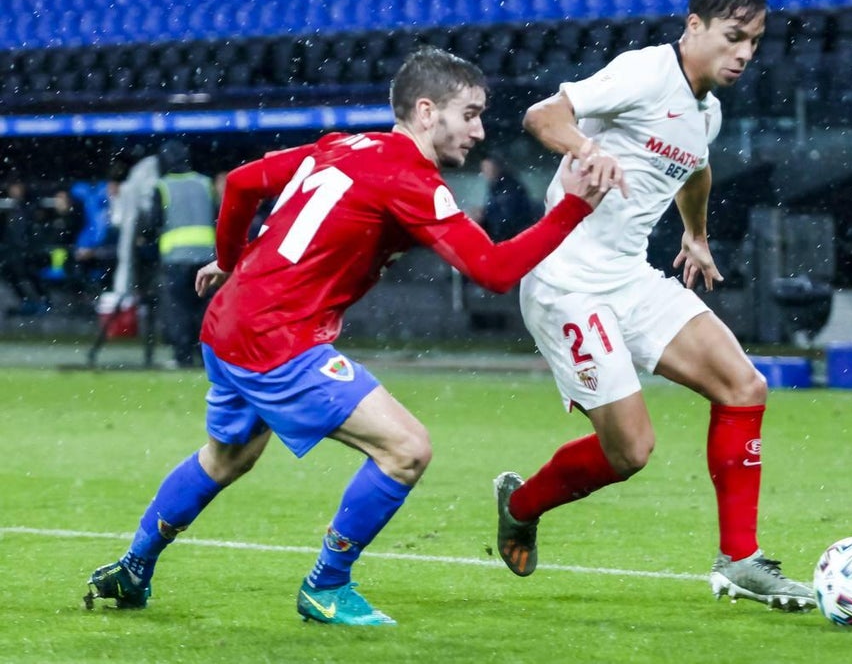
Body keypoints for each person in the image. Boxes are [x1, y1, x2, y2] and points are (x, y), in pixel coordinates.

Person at [83, 47, 611, 626]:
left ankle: (134, 567)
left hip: (230, 323)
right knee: (406, 450)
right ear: (428, 111)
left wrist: (232, 261)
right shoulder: (410, 178)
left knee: (226, 457)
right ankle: (326, 585)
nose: (480, 130)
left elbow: (241, 182)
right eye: (471, 114)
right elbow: (493, 271)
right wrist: (575, 208)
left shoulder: (345, 145)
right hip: (277, 337)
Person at [492, 0, 815, 612]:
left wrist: (696, 234)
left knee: (744, 386)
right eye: (732, 37)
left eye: (753, 41)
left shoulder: (708, 110)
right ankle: (521, 503)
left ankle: (740, 560)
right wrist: (589, 149)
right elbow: (542, 114)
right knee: (631, 451)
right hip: (567, 282)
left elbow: (694, 166)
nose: (744, 54)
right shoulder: (644, 72)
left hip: (629, 276)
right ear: (693, 26)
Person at [149, 141, 217, 368]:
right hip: (206, 258)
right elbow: (218, 216)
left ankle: (182, 356)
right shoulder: (205, 183)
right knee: (204, 309)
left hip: (175, 259)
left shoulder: (162, 186)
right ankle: (206, 356)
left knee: (179, 308)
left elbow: (153, 223)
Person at [0, 176, 50, 316]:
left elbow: (35, 229)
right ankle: (27, 301)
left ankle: (43, 301)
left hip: (30, 250)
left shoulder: (30, 206)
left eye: (18, 187)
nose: (15, 190)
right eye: (13, 188)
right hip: (15, 250)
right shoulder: (9, 207)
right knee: (8, 271)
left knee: (30, 271)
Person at [475, 155, 540, 242]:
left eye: (488, 168)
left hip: (512, 237)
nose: (486, 172)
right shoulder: (495, 186)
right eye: (484, 168)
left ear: (497, 167)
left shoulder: (508, 186)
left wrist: (484, 217)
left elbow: (506, 217)